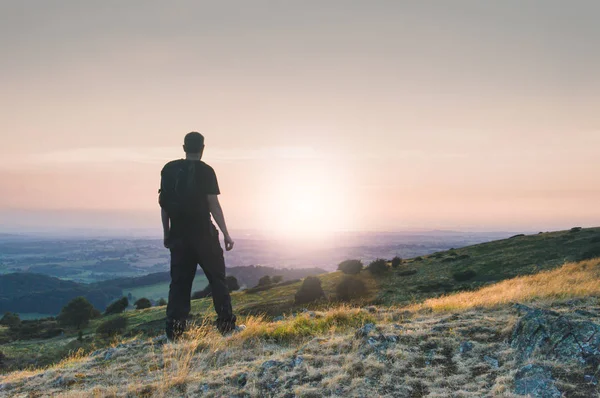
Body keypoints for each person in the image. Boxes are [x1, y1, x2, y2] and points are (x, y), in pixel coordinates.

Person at [159, 132, 238, 340]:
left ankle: (175, 333)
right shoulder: (207, 171)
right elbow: (213, 205)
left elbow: (164, 207)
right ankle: (226, 327)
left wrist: (167, 234)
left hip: (179, 236)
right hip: (204, 235)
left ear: (184, 148)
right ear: (202, 148)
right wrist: (226, 234)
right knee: (217, 280)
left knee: (179, 284)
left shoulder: (168, 170)